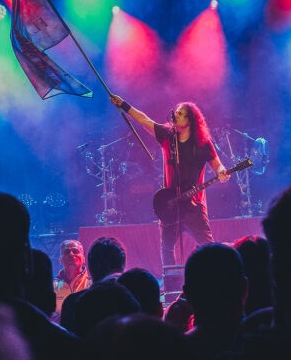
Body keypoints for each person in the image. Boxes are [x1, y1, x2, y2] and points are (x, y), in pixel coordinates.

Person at [109, 94, 230, 268]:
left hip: (194, 205)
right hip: (170, 204)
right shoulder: (167, 135)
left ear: (191, 120)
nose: (175, 115)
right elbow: (144, 120)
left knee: (208, 246)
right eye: (176, 113)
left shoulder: (203, 143)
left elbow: (217, 165)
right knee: (167, 249)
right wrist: (124, 105)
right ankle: (170, 284)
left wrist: (222, 172)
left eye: (180, 114)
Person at [52, 238, 89, 320]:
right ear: (60, 260)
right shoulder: (53, 286)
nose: (71, 254)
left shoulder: (92, 282)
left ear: (83, 259)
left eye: (75, 251)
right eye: (67, 252)